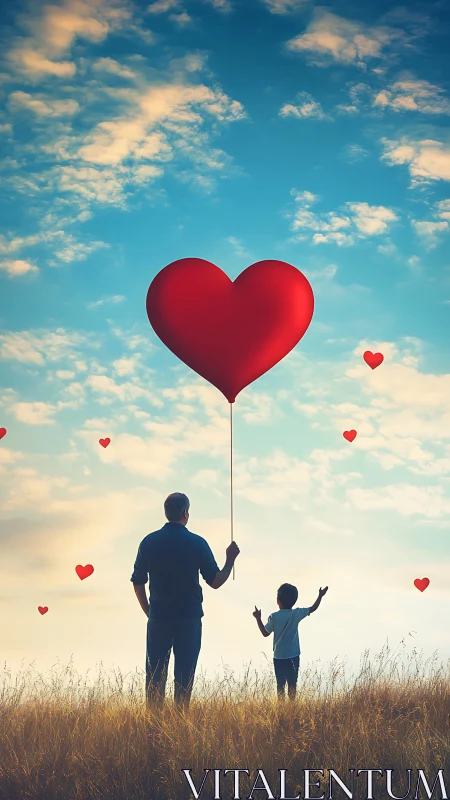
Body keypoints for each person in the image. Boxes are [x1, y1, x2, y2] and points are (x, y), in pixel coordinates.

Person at [131, 492, 240, 709]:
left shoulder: (149, 542)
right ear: (185, 513)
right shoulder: (197, 543)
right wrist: (230, 561)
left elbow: (138, 581)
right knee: (184, 676)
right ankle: (180, 723)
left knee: (155, 676)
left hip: (159, 617)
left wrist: (148, 610)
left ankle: (153, 725)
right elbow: (215, 581)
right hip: (189, 618)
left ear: (166, 512)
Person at [253, 583, 328, 700]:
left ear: (278, 600)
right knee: (292, 685)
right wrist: (320, 596)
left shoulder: (274, 617)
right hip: (293, 656)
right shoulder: (296, 613)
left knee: (280, 686)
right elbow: (313, 608)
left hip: (279, 657)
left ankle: (281, 709)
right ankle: (292, 708)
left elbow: (265, 633)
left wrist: (258, 618)